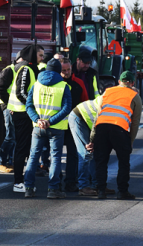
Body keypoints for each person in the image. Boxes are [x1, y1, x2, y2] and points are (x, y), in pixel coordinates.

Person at [88, 71, 142, 200]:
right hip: (119, 130)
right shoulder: (135, 96)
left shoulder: (107, 92)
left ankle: (101, 190)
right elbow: (135, 123)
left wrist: (92, 139)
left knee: (101, 161)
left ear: (119, 82)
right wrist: (130, 142)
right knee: (123, 162)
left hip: (101, 128)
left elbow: (97, 116)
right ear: (132, 83)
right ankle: (122, 191)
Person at [23, 58, 72, 199]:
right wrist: (50, 122)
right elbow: (66, 108)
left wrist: (37, 120)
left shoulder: (36, 85)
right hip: (56, 128)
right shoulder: (64, 86)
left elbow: (29, 105)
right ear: (58, 71)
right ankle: (53, 189)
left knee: (33, 157)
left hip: (38, 128)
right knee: (55, 158)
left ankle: (28, 188)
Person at [9, 45, 44, 192]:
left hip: (26, 114)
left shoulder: (32, 68)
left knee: (28, 149)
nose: (42, 58)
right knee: (22, 149)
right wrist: (32, 108)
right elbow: (21, 92)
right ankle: (18, 182)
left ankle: (25, 180)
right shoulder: (26, 69)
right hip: (21, 114)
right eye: (40, 55)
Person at [67, 94, 117, 197]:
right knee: (85, 152)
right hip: (79, 118)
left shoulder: (114, 100)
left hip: (87, 119)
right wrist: (92, 141)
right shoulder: (108, 103)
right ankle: (83, 187)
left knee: (95, 152)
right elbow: (96, 123)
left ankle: (98, 185)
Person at [57, 55, 87, 192]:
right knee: (56, 154)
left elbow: (85, 102)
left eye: (68, 70)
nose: (67, 72)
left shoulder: (78, 83)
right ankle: (56, 181)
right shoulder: (56, 84)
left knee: (73, 154)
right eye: (64, 70)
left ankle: (70, 181)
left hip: (73, 125)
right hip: (57, 124)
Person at [0, 52, 22, 173]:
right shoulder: (9, 70)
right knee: (10, 136)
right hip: (9, 107)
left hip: (14, 107)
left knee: (14, 136)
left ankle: (9, 162)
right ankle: (1, 162)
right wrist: (9, 105)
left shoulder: (20, 71)